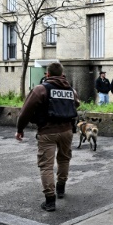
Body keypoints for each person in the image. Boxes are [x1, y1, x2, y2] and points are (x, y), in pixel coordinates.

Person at [15, 62, 80, 212]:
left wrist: (20, 129)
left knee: (46, 166)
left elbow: (26, 111)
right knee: (64, 159)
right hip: (67, 131)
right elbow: (76, 104)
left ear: (48, 74)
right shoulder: (71, 89)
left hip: (47, 132)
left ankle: (50, 201)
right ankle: (61, 189)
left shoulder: (41, 89)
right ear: (62, 75)